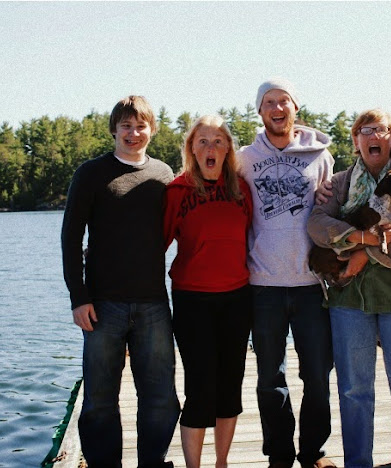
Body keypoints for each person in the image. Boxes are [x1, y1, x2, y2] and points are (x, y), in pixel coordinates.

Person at [61, 95, 180, 468]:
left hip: (153, 304)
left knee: (161, 397)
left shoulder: (164, 175)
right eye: (126, 126)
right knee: (99, 400)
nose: (133, 133)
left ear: (152, 129)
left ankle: (153, 462)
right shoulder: (91, 173)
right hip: (102, 305)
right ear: (114, 129)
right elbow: (70, 237)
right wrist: (77, 297)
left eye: (140, 125)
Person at [308, 109, 391, 468]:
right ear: (356, 141)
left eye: (381, 130)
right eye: (364, 131)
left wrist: (365, 254)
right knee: (354, 391)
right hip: (349, 299)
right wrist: (360, 238)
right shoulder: (340, 183)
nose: (372, 136)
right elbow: (316, 224)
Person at [237, 78, 336, 468]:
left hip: (312, 285)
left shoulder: (321, 156)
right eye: (269, 103)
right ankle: (279, 455)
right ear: (260, 112)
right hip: (263, 286)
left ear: (296, 107)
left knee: (317, 376)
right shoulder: (244, 158)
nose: (277, 109)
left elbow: (331, 210)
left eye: (284, 101)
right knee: (269, 378)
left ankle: (313, 453)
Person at [163, 115, 253, 468]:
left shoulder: (242, 188)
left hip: (237, 298)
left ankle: (221, 463)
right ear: (191, 149)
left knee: (230, 387)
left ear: (229, 148)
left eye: (218, 140)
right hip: (192, 300)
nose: (210, 147)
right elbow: (155, 246)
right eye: (202, 141)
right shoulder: (177, 190)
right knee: (200, 388)